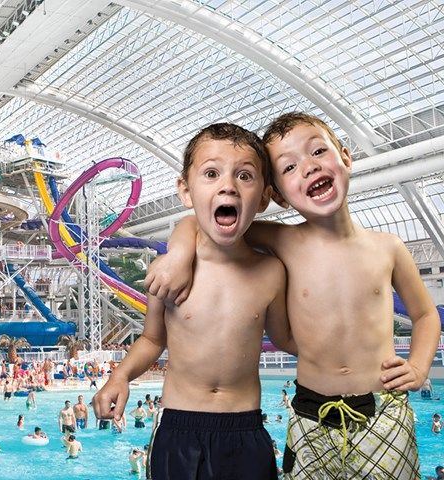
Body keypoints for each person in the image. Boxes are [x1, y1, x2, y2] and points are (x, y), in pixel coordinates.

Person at [145, 113, 442, 479]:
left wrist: (419, 366)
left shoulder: (389, 247)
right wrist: (178, 254)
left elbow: (425, 315)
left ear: (345, 157)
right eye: (289, 167)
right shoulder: (283, 240)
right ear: (278, 196)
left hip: (382, 408)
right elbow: (200, 218)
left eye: (318, 151)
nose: (309, 166)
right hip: (310, 414)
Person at [93, 123, 292, 480]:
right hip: (179, 428)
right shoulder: (167, 271)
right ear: (186, 191)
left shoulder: (271, 272)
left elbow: (286, 339)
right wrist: (120, 376)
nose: (228, 186)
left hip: (245, 427)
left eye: (245, 175)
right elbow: (152, 339)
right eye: (212, 174)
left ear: (263, 198)